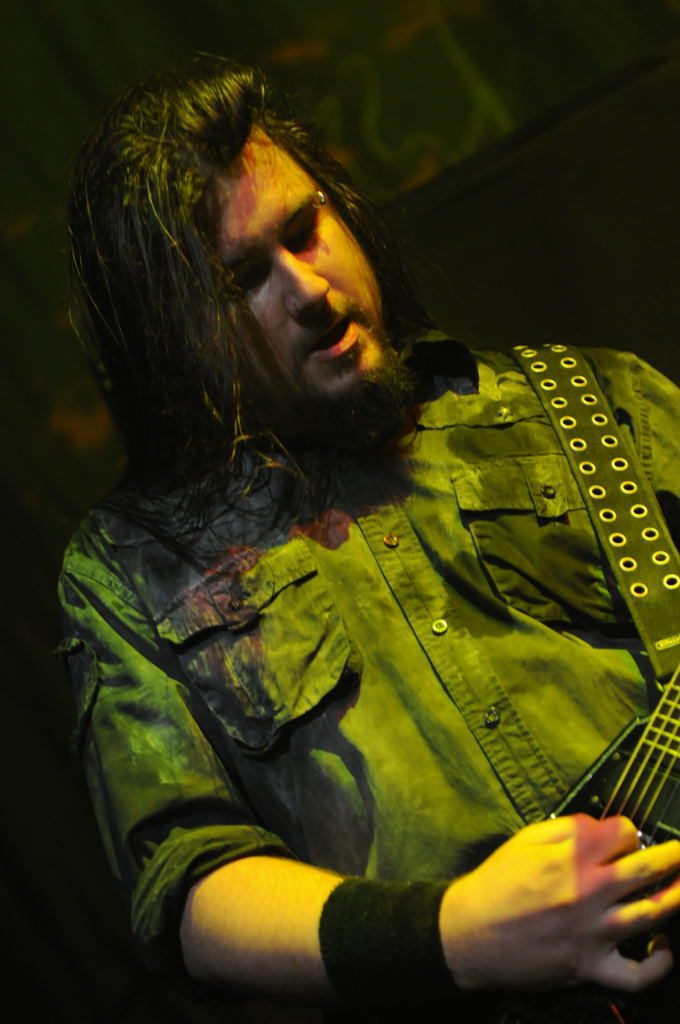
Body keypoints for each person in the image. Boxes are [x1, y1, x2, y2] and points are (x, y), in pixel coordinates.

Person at [59, 56, 680, 1021]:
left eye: (305, 230)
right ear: (172, 337)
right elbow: (189, 886)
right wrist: (457, 936)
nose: (309, 288)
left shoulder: (591, 402)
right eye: (242, 280)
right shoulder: (131, 572)